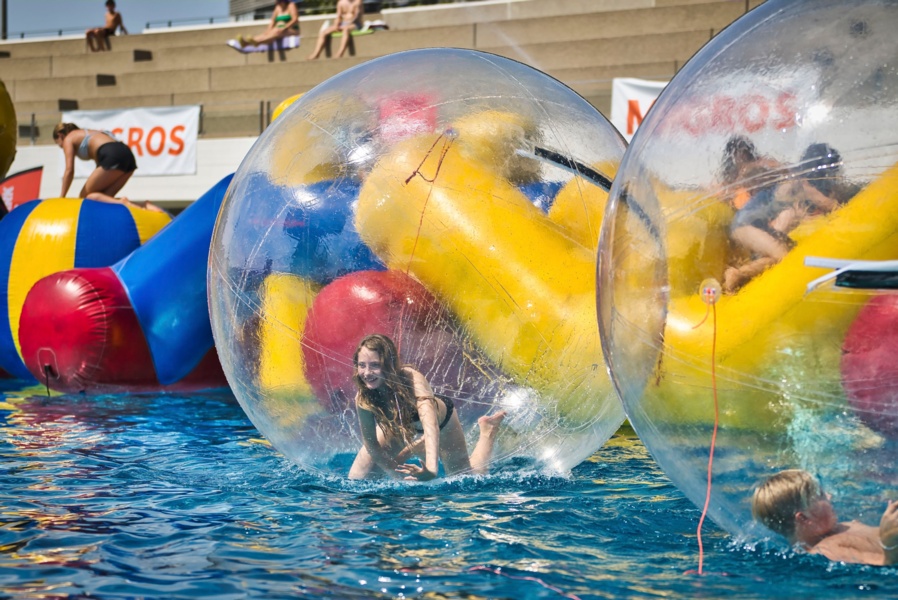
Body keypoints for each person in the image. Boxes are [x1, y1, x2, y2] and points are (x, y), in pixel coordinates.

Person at [347, 334, 506, 481]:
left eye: (375, 365)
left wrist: (431, 469)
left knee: (464, 478)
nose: (367, 373)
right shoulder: (364, 396)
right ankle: (415, 447)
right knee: (359, 477)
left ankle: (488, 431)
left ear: (389, 364)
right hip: (399, 423)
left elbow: (431, 426)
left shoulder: (411, 378)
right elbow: (372, 446)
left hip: (440, 422)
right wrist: (398, 477)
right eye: (362, 365)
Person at [723, 142, 858, 293]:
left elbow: (791, 214)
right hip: (746, 225)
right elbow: (829, 204)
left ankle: (738, 274)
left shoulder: (794, 181)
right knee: (784, 255)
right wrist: (854, 211)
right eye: (831, 172)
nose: (833, 178)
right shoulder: (802, 184)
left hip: (752, 224)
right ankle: (736, 274)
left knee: (780, 254)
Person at [751, 469, 898, 565]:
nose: (829, 496)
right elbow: (885, 562)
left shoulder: (841, 528)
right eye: (820, 495)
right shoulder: (826, 551)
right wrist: (889, 541)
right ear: (804, 518)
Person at [53, 123, 163, 212]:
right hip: (127, 155)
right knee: (103, 198)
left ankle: (123, 202)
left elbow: (69, 170)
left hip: (112, 154)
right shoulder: (90, 133)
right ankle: (142, 205)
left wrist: (62, 197)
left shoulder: (68, 138)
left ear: (60, 135)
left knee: (85, 197)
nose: (62, 148)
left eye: (59, 144)